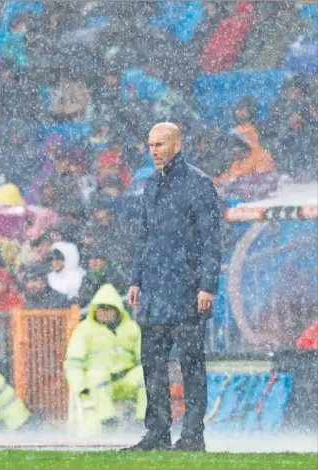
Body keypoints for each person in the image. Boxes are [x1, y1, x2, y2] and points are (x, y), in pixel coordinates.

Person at [126, 123, 221, 451]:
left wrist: (207, 286)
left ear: (177, 145)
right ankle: (157, 433)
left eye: (161, 144)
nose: (154, 150)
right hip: (153, 293)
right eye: (151, 144)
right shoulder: (150, 186)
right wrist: (135, 279)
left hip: (186, 292)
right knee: (151, 364)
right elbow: (144, 236)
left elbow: (211, 239)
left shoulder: (198, 183)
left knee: (191, 364)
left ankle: (193, 435)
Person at [65, 284, 146, 431]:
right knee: (98, 375)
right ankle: (108, 420)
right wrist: (80, 388)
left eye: (107, 308)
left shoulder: (132, 329)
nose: (102, 312)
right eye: (99, 308)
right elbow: (74, 363)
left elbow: (143, 358)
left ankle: (142, 421)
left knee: (145, 374)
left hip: (124, 382)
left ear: (117, 310)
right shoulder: (84, 330)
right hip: (96, 384)